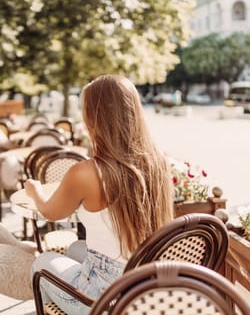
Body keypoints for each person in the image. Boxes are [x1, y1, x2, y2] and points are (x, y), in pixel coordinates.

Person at [25, 74, 174, 314]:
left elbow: (50, 213)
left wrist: (35, 192)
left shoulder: (86, 173)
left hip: (104, 300)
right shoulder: (158, 163)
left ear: (93, 118)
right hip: (145, 285)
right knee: (75, 248)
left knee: (41, 263)